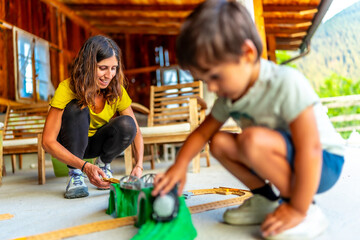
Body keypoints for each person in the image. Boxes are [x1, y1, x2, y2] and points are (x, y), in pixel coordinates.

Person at [152, 0, 345, 239]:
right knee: (220, 142)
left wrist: (297, 208)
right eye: (205, 80)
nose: (212, 87)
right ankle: (266, 200)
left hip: (323, 162)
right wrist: (179, 167)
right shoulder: (230, 95)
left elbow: (311, 148)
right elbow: (203, 133)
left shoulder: (285, 82)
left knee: (252, 140)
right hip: (286, 155)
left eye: (215, 76)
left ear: (247, 53)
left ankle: (305, 209)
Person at [42, 35, 144, 199]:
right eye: (103, 68)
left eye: (113, 68)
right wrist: (84, 167)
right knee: (77, 107)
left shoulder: (117, 90)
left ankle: (103, 165)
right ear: (88, 66)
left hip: (96, 144)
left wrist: (139, 166)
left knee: (128, 124)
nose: (109, 75)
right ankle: (76, 174)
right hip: (71, 144)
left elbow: (136, 132)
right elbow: (47, 141)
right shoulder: (66, 88)